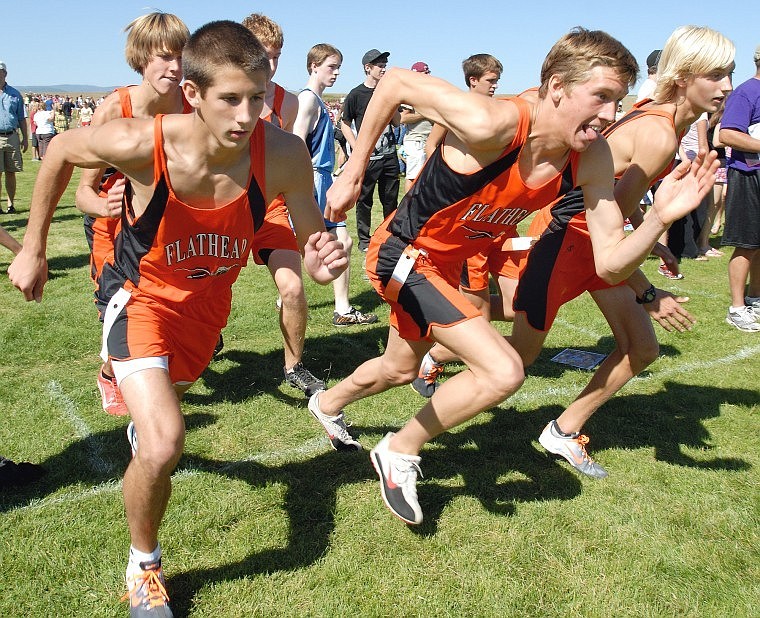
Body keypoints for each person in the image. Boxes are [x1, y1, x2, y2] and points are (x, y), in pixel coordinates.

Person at [310, 27, 717, 524]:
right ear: (556, 86)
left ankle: (327, 403)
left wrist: (658, 220)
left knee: (398, 369)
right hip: (403, 252)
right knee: (505, 369)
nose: (611, 116)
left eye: (618, 101)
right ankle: (399, 449)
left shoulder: (590, 158)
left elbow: (609, 262)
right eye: (602, 98)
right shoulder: (494, 121)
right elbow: (395, 82)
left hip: (448, 265)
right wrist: (353, 168)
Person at [8, 20, 347, 615]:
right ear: (193, 95)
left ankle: (144, 406)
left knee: (167, 409)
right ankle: (144, 565)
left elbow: (311, 240)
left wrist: (320, 264)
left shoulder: (284, 153)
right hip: (138, 297)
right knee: (165, 444)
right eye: (231, 99)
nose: (246, 115)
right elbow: (60, 151)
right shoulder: (145, 142)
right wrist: (34, 247)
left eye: (258, 98)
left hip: (206, 311)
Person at [75, 11, 191, 417]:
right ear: (142, 57)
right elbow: (82, 192)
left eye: (181, 56)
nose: (175, 67)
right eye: (164, 56)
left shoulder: (191, 105)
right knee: (119, 306)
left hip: (165, 230)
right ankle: (111, 373)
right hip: (112, 228)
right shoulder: (117, 108)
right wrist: (105, 206)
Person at [242, 13, 326, 393]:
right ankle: (206, 336)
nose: (272, 66)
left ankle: (294, 365)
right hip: (223, 208)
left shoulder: (286, 102)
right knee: (206, 292)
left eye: (277, 56)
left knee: (292, 288)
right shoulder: (216, 96)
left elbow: (289, 158)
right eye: (264, 56)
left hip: (270, 206)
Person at [293, 43, 378, 327]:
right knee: (303, 244)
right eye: (332, 66)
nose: (337, 72)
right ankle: (290, 296)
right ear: (314, 66)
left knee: (342, 242)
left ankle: (341, 307)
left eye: (339, 67)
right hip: (313, 181)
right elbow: (296, 144)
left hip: (325, 179)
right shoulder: (307, 100)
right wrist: (304, 186)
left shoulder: (316, 99)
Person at [341, 48, 400, 253]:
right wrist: (357, 147)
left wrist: (394, 105)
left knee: (390, 199)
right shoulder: (356, 94)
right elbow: (345, 123)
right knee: (364, 199)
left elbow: (398, 122)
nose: (384, 69)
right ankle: (364, 240)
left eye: (385, 65)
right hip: (369, 157)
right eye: (380, 66)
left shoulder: (389, 93)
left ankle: (391, 236)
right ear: (368, 68)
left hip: (389, 155)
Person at [720, 44, 760, 332]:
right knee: (746, 244)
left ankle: (755, 298)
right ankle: (736, 308)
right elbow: (726, 134)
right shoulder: (746, 92)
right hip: (747, 176)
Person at [424, 53, 504, 159]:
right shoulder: (453, 107)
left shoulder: (497, 110)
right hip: (452, 172)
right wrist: (437, 173)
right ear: (473, 80)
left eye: (497, 80)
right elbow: (431, 144)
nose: (495, 85)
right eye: (490, 81)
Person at [0, 61, 28, 214]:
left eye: (1, 71)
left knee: (11, 172)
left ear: (5, 73)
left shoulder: (14, 94)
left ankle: (10, 205)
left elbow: (22, 118)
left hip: (11, 136)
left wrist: (25, 138)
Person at [400, 62, 433, 193]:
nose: (428, 75)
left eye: (428, 72)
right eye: (425, 73)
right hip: (416, 140)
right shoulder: (410, 94)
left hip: (428, 140)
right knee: (413, 177)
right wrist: (424, 114)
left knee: (425, 178)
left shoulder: (429, 93)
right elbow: (403, 118)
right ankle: (408, 207)